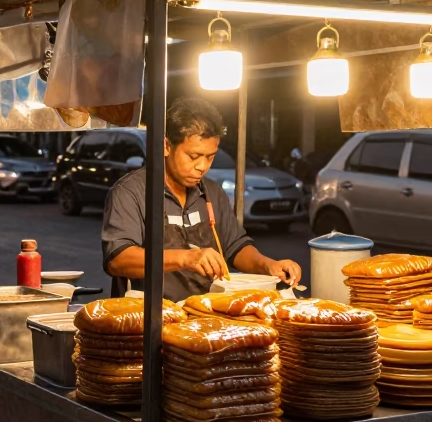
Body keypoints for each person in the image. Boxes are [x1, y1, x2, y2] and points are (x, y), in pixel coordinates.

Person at [102, 97, 301, 302]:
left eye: (210, 157)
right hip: (148, 319)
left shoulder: (212, 193)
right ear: (166, 146)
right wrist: (186, 258)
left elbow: (235, 246)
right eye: (193, 156)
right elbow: (118, 260)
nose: (202, 166)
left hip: (205, 316)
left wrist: (268, 265)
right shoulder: (131, 192)